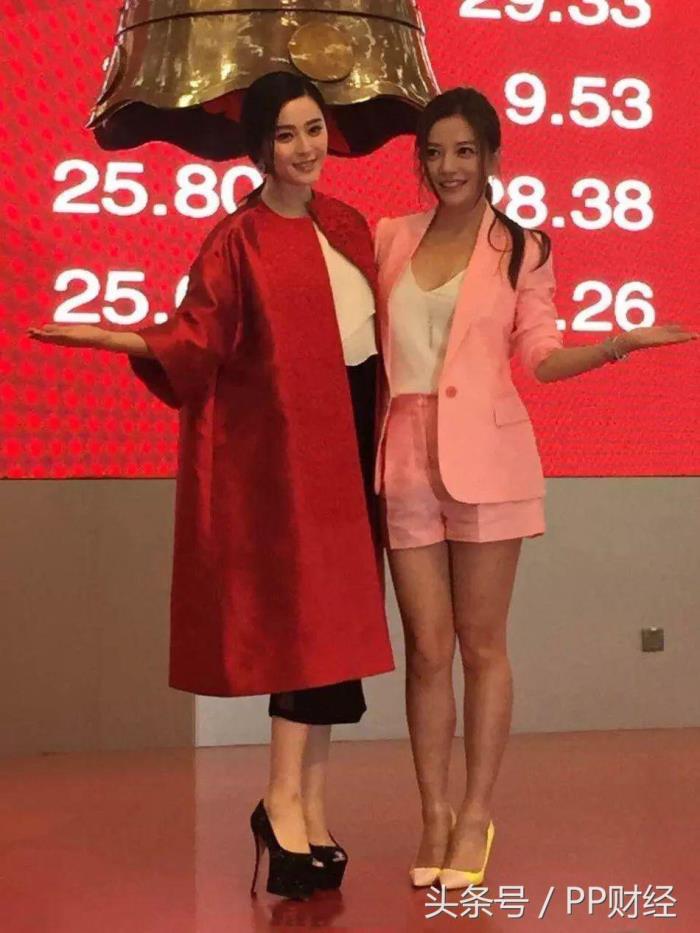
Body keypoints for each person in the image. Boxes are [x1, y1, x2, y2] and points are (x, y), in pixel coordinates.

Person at [29, 71, 394, 901]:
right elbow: (197, 338)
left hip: (355, 448)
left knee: (342, 640)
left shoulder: (348, 225)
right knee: (306, 632)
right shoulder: (240, 239)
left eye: (312, 130)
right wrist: (114, 337)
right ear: (259, 145)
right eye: (286, 134)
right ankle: (279, 802)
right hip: (291, 468)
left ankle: (311, 807)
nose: (304, 148)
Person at [373, 86, 697, 890]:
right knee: (425, 648)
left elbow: (542, 358)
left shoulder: (522, 247)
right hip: (405, 460)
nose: (448, 166)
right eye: (434, 152)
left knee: (481, 645)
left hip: (490, 459)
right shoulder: (389, 237)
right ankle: (433, 812)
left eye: (464, 151)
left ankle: (475, 812)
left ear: (491, 157)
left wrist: (618, 343)